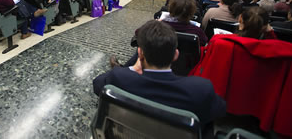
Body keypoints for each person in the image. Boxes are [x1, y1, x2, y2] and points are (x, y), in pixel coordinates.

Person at [93, 20, 226, 128]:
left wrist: (132, 69)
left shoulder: (119, 76)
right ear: (176, 55)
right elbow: (220, 110)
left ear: (140, 54)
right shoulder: (200, 89)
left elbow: (97, 84)